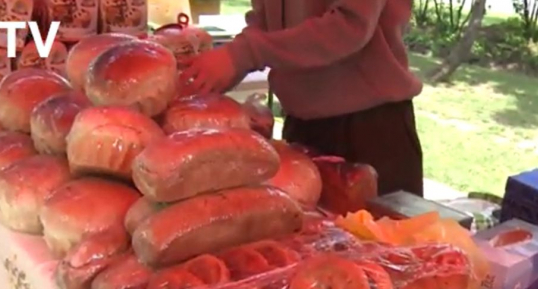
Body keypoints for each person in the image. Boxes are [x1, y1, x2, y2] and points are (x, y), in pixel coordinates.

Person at [181, 0, 425, 196]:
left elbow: (349, 26)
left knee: (387, 251)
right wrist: (226, 67)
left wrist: (243, 54)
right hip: (302, 128)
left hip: (371, 132)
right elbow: (265, 22)